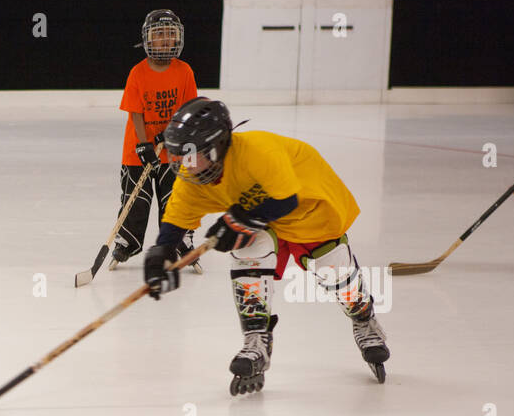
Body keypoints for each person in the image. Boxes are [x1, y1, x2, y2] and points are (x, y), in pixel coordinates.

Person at [143, 97, 390, 395]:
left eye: (190, 155)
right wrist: (160, 255)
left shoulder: (259, 152)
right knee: (247, 250)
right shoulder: (194, 179)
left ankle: (364, 319)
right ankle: (256, 339)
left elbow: (286, 199)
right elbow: (175, 223)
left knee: (333, 268)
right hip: (265, 217)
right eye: (179, 156)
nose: (184, 164)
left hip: (309, 209)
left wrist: (239, 220)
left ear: (216, 146)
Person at [111, 9, 201, 273]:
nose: (165, 40)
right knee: (136, 198)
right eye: (159, 34)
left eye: (170, 34)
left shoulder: (184, 71)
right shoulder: (137, 73)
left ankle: (180, 240)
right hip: (137, 151)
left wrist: (175, 134)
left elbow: (189, 109)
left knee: (176, 196)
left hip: (172, 150)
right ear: (148, 39)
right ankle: (127, 240)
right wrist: (143, 144)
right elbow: (136, 111)